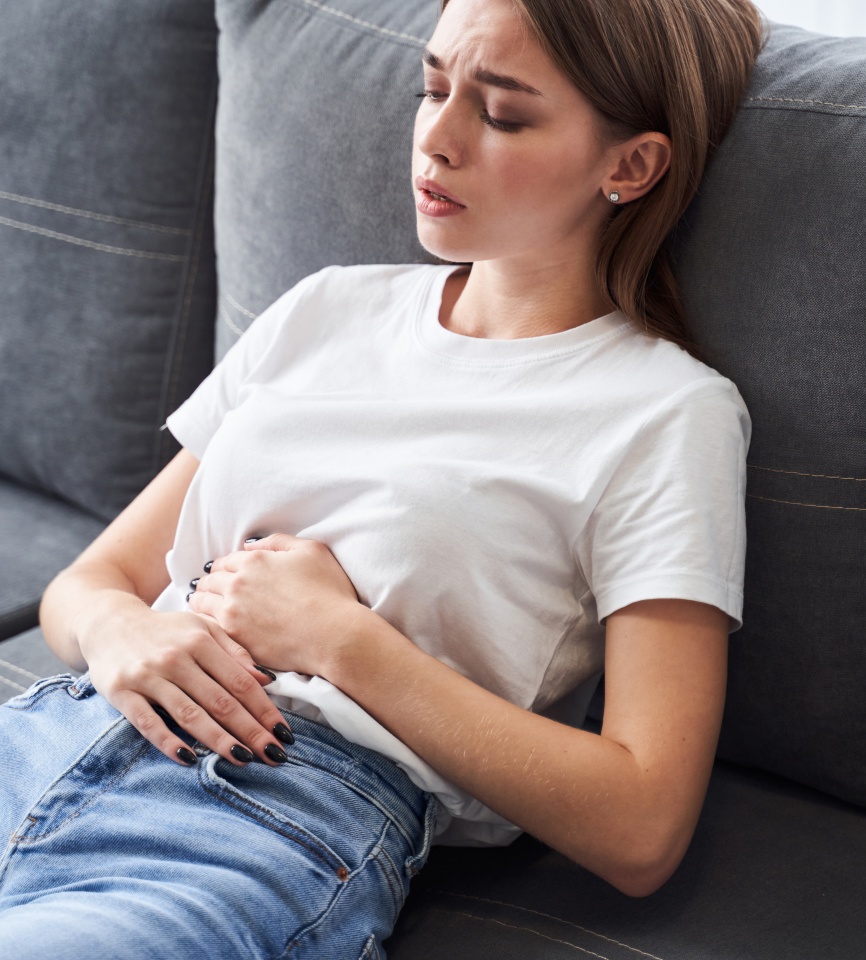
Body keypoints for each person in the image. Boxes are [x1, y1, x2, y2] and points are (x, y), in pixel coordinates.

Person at [0, 0, 764, 955]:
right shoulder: (327, 308)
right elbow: (90, 583)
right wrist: (122, 633)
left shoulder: (666, 412)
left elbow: (643, 825)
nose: (437, 139)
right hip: (60, 727)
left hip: (262, 814)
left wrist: (339, 639)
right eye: (432, 89)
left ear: (632, 165)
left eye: (502, 113)